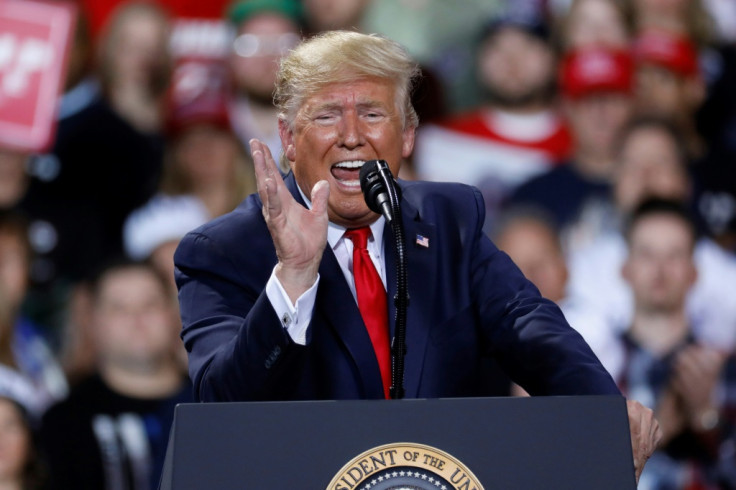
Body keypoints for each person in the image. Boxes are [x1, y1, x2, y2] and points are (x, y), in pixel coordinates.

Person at [174, 30, 660, 481]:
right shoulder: (225, 250)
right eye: (326, 115)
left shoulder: (449, 219)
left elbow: (529, 326)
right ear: (287, 139)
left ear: (407, 133)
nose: (351, 135)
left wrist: (604, 412)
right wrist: (295, 277)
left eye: (372, 113)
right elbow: (221, 408)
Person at [40, 262, 192, 490]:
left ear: (173, 314)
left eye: (150, 304)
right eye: (118, 308)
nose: (137, 319)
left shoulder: (215, 401)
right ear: (92, 322)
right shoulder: (63, 423)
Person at [617, 198, 736, 489]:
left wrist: (708, 420)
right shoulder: (594, 363)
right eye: (646, 254)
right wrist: (663, 428)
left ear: (694, 273)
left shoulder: (726, 367)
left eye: (674, 255)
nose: (660, 269)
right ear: (625, 269)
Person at [414, 11, 570, 226]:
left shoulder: (578, 147)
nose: (512, 61)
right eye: (497, 48)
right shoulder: (435, 139)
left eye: (527, 47)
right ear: (479, 60)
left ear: (554, 59)